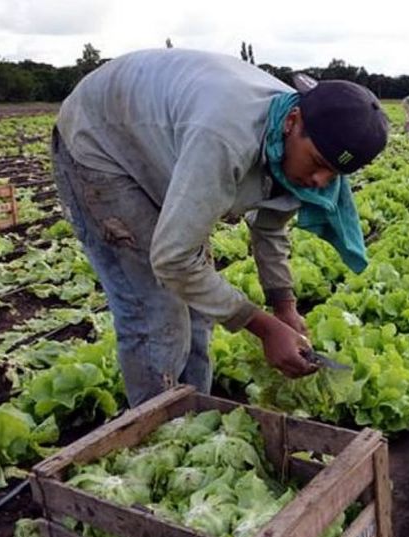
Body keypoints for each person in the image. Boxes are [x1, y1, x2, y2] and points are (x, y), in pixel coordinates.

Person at [52, 48, 389, 407]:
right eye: (319, 163)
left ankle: (195, 412)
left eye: (334, 174)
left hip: (163, 140)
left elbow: (271, 225)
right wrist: (262, 326)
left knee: (198, 307)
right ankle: (153, 430)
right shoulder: (226, 136)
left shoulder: (292, 143)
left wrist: (284, 306)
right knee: (156, 311)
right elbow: (172, 260)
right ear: (292, 121)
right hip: (100, 140)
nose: (321, 180)